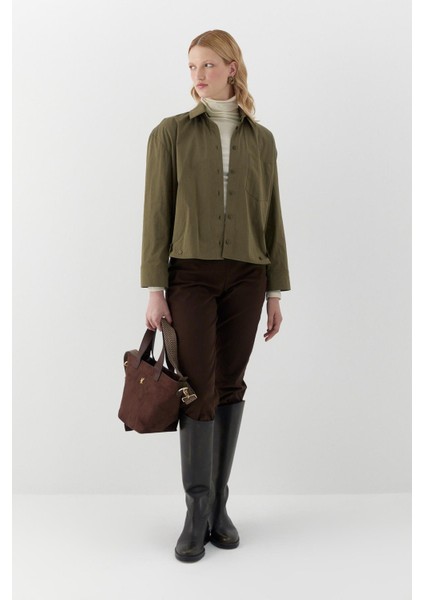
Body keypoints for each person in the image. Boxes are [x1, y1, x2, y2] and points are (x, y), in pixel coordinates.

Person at [140, 29, 290, 562]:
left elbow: (272, 217)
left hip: (249, 275)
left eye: (207, 65)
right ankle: (195, 509)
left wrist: (275, 291)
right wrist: (155, 289)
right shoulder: (171, 133)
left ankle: (218, 507)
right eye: (191, 67)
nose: (198, 75)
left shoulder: (261, 139)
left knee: (230, 383)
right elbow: (156, 214)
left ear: (231, 68)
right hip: (191, 276)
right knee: (197, 385)